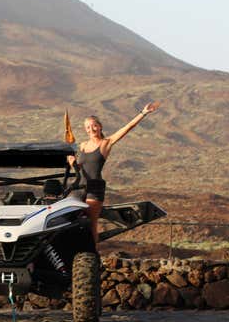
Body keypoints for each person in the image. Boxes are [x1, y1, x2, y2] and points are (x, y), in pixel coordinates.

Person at [68, 102, 160, 246]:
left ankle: (92, 257)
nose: (91, 129)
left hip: (95, 188)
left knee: (91, 224)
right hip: (79, 187)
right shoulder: (83, 146)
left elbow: (128, 127)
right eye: (88, 127)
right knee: (70, 221)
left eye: (94, 125)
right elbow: (80, 167)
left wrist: (143, 113)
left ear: (100, 126)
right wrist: (72, 163)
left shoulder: (106, 143)